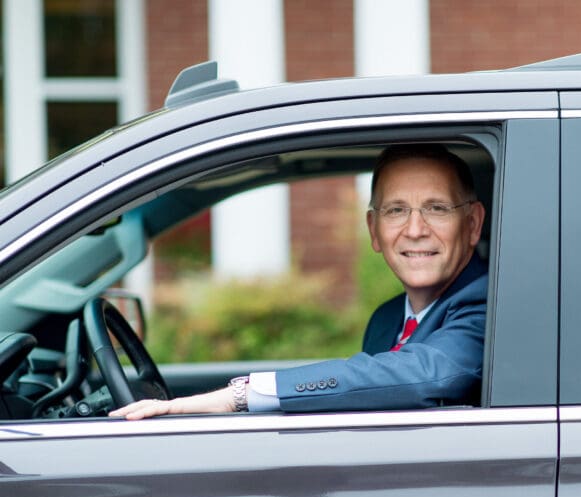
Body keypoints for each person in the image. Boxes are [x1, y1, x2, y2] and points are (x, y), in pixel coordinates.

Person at [112, 143, 487, 419]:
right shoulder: (387, 319)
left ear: (472, 225)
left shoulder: (491, 302)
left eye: (437, 209)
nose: (415, 230)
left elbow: (423, 375)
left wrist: (239, 396)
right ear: (374, 230)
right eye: (396, 211)